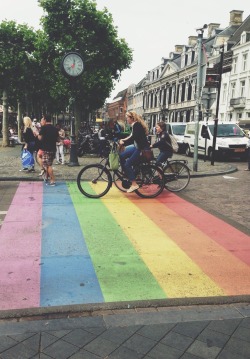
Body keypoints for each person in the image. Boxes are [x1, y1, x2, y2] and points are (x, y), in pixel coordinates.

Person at [119, 111, 150, 193]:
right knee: (121, 155)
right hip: (137, 147)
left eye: (127, 118)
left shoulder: (137, 125)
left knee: (127, 164)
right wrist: (122, 140)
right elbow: (131, 136)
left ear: (132, 118)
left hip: (141, 149)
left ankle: (134, 184)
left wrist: (124, 142)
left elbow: (133, 137)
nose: (126, 120)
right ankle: (127, 173)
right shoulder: (135, 125)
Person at [37, 114, 59, 186]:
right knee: (48, 164)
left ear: (45, 120)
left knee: (48, 165)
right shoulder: (55, 128)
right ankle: (47, 177)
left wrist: (37, 134)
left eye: (43, 119)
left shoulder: (44, 128)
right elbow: (57, 139)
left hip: (46, 149)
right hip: (53, 148)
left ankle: (52, 180)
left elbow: (40, 138)